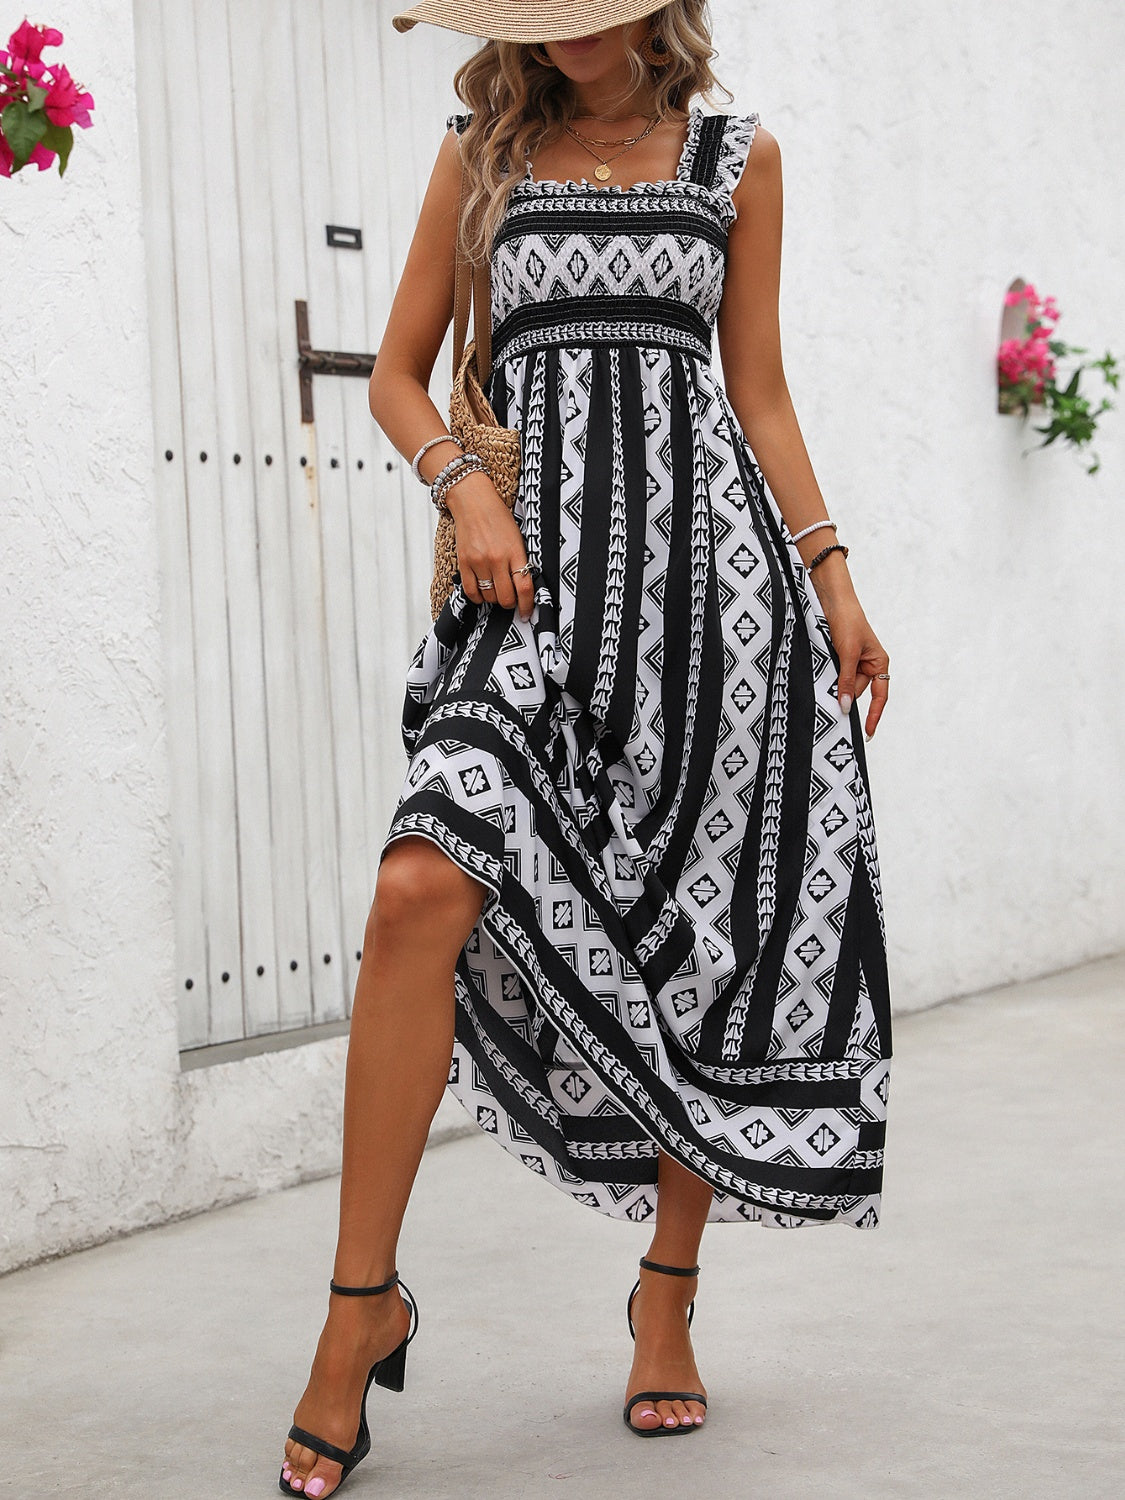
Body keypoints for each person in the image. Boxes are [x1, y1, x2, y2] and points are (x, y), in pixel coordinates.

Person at [279, 2, 893, 1494]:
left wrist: (831, 577)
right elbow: (399, 373)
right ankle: (359, 1306)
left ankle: (666, 1298)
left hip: (714, 608)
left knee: (696, 940)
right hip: (525, 597)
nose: (567, 29)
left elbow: (756, 389)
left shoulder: (735, 160)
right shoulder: (478, 156)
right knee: (419, 888)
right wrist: (462, 488)